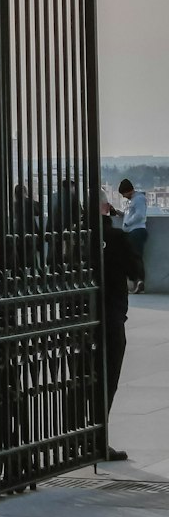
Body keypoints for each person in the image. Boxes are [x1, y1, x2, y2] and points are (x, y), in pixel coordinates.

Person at [101, 197, 141, 460]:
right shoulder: (115, 237)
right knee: (107, 378)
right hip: (111, 316)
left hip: (79, 317)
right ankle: (98, 438)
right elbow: (134, 267)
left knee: (79, 380)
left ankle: (75, 437)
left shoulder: (73, 236)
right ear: (107, 209)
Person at [119, 179, 148, 294]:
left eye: (123, 194)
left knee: (136, 257)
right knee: (134, 257)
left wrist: (127, 223)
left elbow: (139, 215)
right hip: (133, 232)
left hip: (136, 231)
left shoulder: (138, 199)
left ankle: (139, 281)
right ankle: (137, 282)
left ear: (127, 191)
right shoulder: (133, 200)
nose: (124, 197)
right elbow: (131, 214)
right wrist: (120, 214)